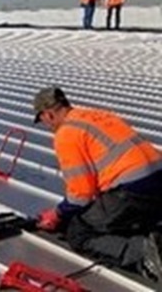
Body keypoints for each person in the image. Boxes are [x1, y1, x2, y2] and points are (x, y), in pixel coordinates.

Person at [32, 86, 162, 281]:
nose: (47, 126)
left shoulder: (66, 134)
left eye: (42, 120)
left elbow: (80, 196)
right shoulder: (96, 114)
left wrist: (58, 214)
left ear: (49, 114)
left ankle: (144, 255)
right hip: (158, 179)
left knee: (79, 232)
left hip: (132, 189)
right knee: (119, 217)